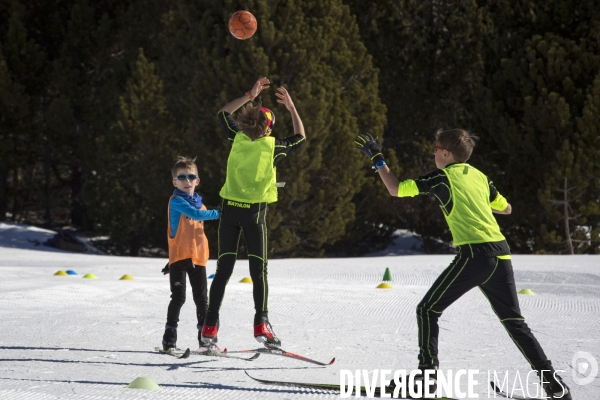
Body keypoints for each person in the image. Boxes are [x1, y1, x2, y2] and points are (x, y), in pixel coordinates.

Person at [354, 130, 572, 399]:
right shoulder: (480, 177)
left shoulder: (442, 178)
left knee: (427, 310)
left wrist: (377, 158)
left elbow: (395, 189)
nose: (433, 152)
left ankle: (426, 378)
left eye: (435, 148)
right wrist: (477, 203)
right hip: (501, 254)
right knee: (515, 323)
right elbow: (506, 208)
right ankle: (555, 386)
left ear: (446, 153)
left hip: (475, 255)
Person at [200, 77, 306, 349]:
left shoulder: (236, 138)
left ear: (246, 122)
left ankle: (209, 328)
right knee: (259, 271)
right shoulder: (273, 147)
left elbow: (223, 113)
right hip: (254, 216)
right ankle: (262, 324)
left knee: (223, 270)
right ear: (269, 129)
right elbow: (301, 137)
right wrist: (292, 108)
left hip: (228, 213)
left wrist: (250, 94)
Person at [162, 156, 220, 351]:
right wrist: (221, 212)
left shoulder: (201, 205)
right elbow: (195, 215)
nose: (187, 181)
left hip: (199, 258)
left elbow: (196, 224)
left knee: (202, 300)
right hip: (180, 259)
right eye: (182, 177)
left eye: (191, 177)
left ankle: (205, 340)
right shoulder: (176, 201)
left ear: (197, 180)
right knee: (178, 298)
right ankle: (169, 337)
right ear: (174, 182)